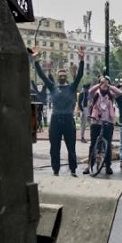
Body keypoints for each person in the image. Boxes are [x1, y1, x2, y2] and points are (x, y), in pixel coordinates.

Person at [32, 46, 85, 176]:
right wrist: (36, 60)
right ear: (57, 76)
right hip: (55, 120)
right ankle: (55, 170)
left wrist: (82, 60)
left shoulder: (72, 87)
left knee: (71, 147)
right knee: (54, 148)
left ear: (66, 76)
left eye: (64, 73)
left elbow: (79, 75)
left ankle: (73, 170)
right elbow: (42, 75)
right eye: (60, 73)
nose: (62, 75)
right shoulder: (53, 87)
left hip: (68, 120)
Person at [83, 76, 122, 175]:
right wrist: (99, 84)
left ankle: (108, 166)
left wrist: (109, 86)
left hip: (108, 122)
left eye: (106, 82)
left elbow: (119, 93)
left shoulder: (111, 93)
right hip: (96, 122)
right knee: (93, 145)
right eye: (102, 82)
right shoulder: (96, 93)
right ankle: (90, 165)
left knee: (108, 144)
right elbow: (90, 91)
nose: (104, 84)